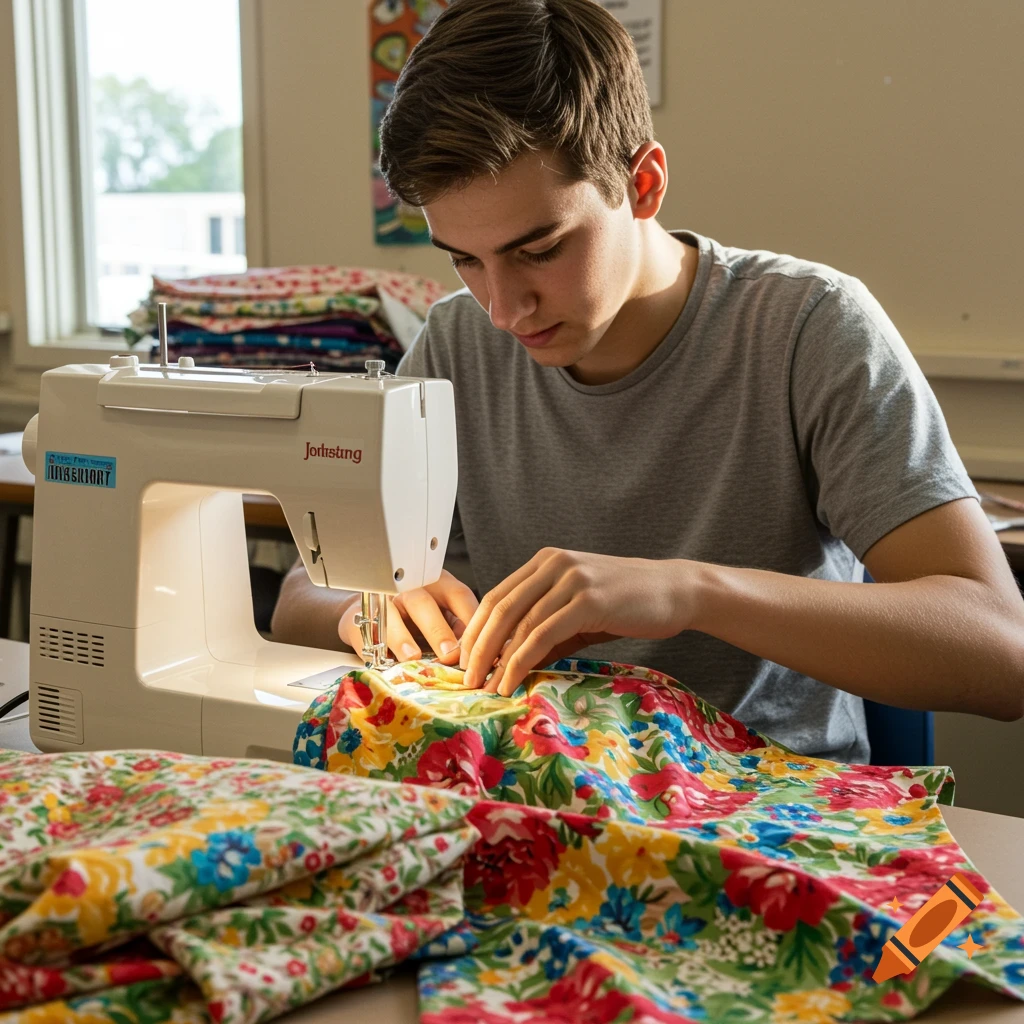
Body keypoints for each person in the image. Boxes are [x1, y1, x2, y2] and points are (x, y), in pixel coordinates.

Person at [271, 0, 1024, 761]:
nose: (503, 309)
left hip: (766, 813)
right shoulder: (457, 340)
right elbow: (300, 596)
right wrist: (369, 610)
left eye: (540, 250)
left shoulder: (809, 327)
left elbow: (999, 654)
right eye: (464, 258)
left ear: (644, 182)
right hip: (543, 804)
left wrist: (690, 593)